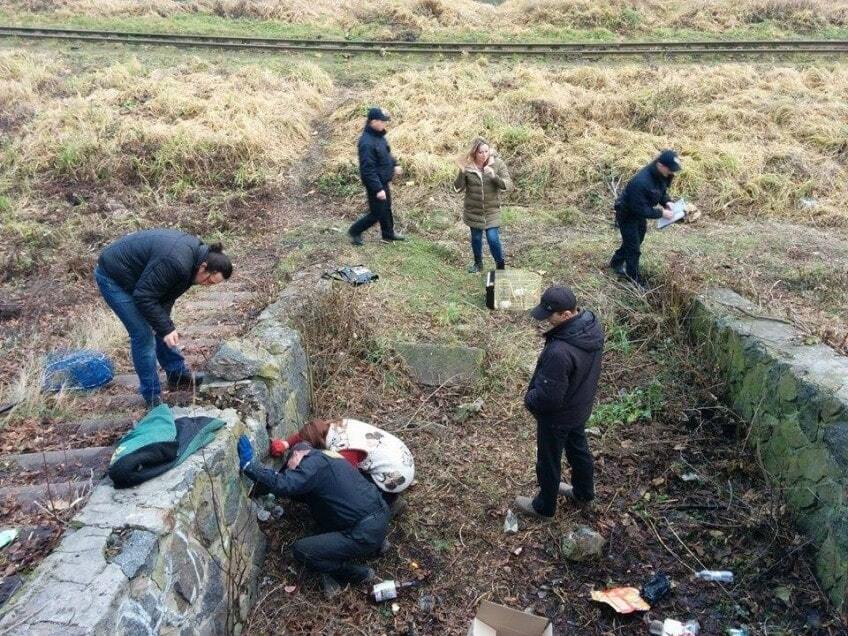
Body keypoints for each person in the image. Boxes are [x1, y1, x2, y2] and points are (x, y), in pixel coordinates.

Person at [237, 436, 389, 599]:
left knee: (303, 550)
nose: (290, 471)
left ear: (297, 455)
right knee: (319, 508)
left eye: (290, 467)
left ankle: (357, 573)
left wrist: (250, 466)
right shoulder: (328, 457)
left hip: (364, 531)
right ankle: (378, 543)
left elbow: (286, 484)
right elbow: (304, 492)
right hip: (380, 514)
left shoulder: (310, 464)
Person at [95, 229, 232, 407]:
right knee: (143, 334)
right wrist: (165, 328)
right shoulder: (176, 262)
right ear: (204, 267)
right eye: (209, 281)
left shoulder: (193, 262)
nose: (206, 286)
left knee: (161, 323)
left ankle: (177, 374)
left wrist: (164, 325)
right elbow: (144, 296)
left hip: (140, 280)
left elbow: (165, 296)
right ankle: (152, 396)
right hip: (113, 277)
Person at [514, 286, 604, 521]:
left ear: (565, 315)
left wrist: (529, 399)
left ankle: (544, 507)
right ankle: (584, 493)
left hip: (557, 417)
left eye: (549, 315)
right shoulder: (591, 327)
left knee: (548, 461)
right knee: (578, 449)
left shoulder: (560, 351)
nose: (545, 320)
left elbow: (548, 398)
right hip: (580, 406)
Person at [270, 417, 415, 512]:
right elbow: (310, 432)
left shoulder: (345, 450)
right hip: (401, 457)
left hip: (396, 476)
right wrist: (286, 443)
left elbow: (346, 481)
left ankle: (388, 502)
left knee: (353, 497)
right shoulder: (333, 426)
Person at [609, 149, 682, 287]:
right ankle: (634, 279)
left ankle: (616, 262)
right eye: (671, 170)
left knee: (637, 240)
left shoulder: (663, 175)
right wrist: (662, 213)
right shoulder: (641, 182)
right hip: (627, 214)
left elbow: (661, 192)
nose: (673, 173)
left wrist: (667, 202)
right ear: (661, 165)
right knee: (634, 249)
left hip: (640, 213)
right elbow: (639, 208)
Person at [453, 137, 513, 273]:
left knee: (493, 238)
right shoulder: (468, 167)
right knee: (476, 238)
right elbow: (457, 188)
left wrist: (494, 177)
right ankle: (478, 264)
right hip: (473, 211)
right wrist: (462, 171)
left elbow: (508, 185)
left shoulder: (497, 164)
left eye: (486, 151)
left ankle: (500, 266)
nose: (484, 155)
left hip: (492, 210)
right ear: (474, 152)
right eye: (481, 152)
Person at [348, 107, 405, 246]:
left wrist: (395, 164)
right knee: (376, 214)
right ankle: (355, 230)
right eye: (382, 121)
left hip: (383, 181)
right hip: (375, 183)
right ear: (373, 121)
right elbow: (367, 169)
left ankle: (388, 234)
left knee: (386, 208)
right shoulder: (366, 143)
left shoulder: (379, 137)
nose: (384, 124)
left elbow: (387, 155)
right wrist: (378, 189)